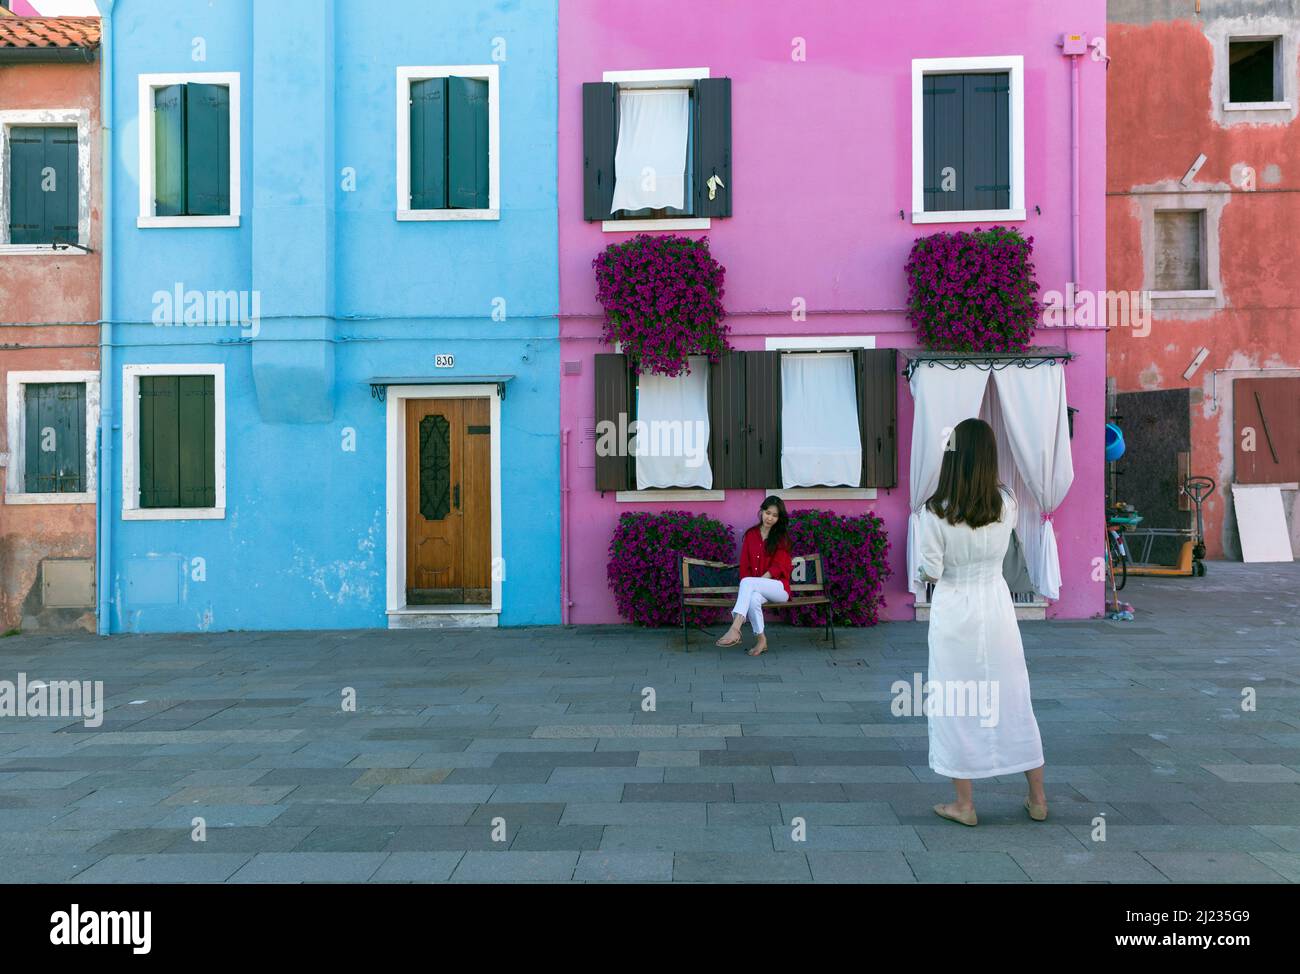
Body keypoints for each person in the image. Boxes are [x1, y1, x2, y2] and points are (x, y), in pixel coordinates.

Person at [917, 418, 1047, 826]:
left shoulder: (934, 512)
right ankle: (1038, 798)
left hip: (956, 608)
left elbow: (931, 571)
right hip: (996, 606)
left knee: (956, 702)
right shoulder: (1007, 503)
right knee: (1014, 697)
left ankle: (964, 804)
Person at [716, 496, 792, 657]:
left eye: (775, 515)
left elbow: (778, 567)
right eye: (767, 512)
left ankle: (735, 628)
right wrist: (752, 584)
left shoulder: (781, 537)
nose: (770, 518)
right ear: (762, 511)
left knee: (749, 583)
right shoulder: (751, 535)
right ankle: (761, 640)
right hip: (757, 588)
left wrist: (755, 582)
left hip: (778, 587)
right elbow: (745, 567)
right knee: (752, 599)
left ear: (779, 518)